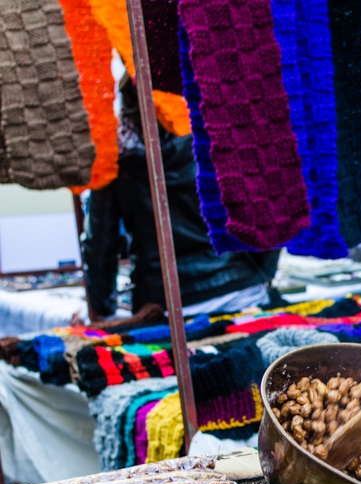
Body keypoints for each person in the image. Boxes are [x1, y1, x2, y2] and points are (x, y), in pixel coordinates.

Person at [83, 75, 281, 319]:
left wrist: (104, 313)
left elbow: (100, 245)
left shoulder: (114, 160)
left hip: (161, 302)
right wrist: (260, 273)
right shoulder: (215, 136)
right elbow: (267, 214)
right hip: (237, 288)